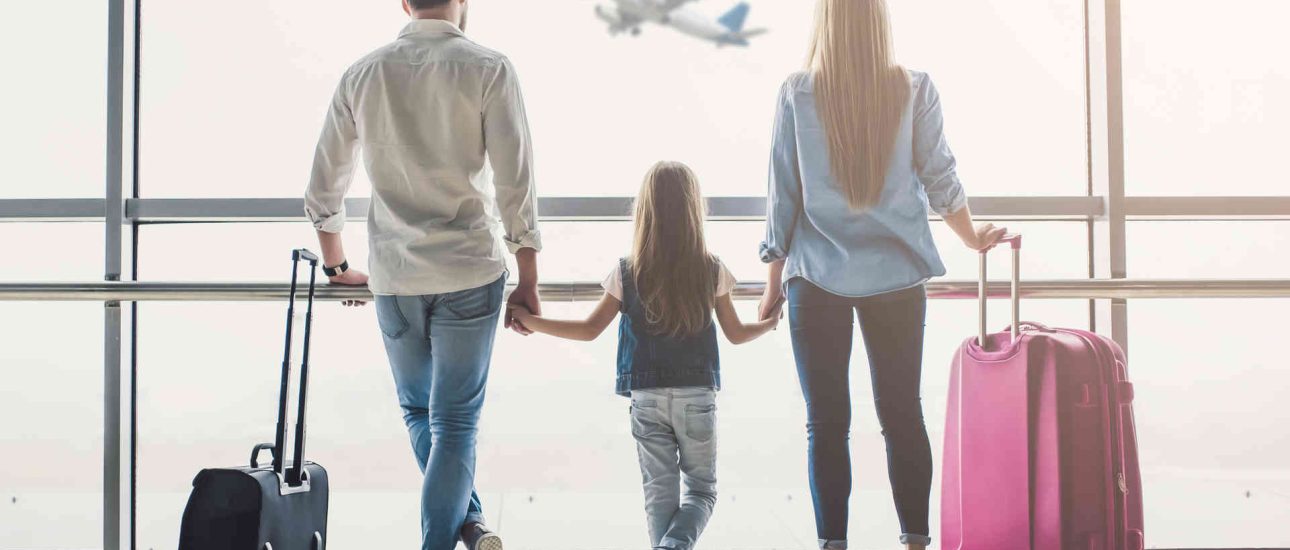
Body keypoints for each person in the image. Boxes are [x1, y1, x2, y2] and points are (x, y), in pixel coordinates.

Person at [755, 1, 1007, 549]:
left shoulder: (797, 92)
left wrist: (773, 285)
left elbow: (783, 197)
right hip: (896, 277)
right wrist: (969, 237)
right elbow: (940, 175)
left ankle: (832, 545)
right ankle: (915, 542)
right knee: (901, 413)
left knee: (825, 423)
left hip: (814, 278)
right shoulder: (914, 88)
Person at [303, 0, 542, 548]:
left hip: (394, 276)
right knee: (454, 424)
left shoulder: (362, 74)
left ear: (405, 3)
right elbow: (515, 185)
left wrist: (338, 264)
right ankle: (461, 528)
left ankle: (471, 522)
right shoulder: (489, 68)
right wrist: (528, 277)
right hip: (468, 271)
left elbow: (323, 189)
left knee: (420, 412)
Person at [509, 161, 782, 550]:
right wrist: (770, 324)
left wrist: (532, 322)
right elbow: (736, 334)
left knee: (659, 497)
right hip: (696, 399)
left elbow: (588, 330)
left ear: (645, 211)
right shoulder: (710, 268)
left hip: (647, 398)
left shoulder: (628, 270)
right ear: (693, 211)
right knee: (702, 493)